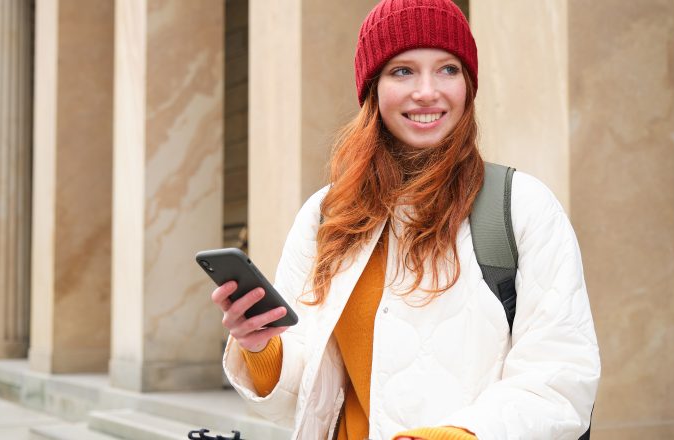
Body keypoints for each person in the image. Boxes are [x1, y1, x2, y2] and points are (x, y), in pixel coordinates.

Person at [212, 0, 600, 438]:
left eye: (448, 69)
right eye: (403, 71)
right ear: (372, 87)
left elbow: (561, 380)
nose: (427, 91)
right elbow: (308, 396)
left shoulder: (523, 206)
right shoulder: (327, 216)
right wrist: (261, 346)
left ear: (469, 85)